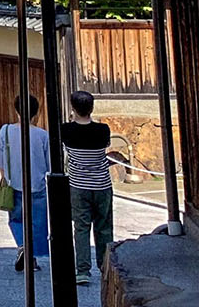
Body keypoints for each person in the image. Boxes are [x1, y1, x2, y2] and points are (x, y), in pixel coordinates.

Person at [61, 90, 116, 286]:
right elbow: (106, 147)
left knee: (81, 227)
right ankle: (105, 265)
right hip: (102, 184)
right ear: (92, 108)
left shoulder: (65, 130)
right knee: (104, 227)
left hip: (78, 185)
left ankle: (82, 270)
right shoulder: (103, 130)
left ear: (73, 108)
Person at [0, 94, 49, 272]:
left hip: (14, 182)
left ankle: (22, 246)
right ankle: (32, 257)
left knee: (17, 219)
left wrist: (4, 177)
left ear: (16, 110)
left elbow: (1, 160)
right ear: (36, 113)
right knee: (37, 222)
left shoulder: (6, 131)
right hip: (37, 184)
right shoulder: (43, 135)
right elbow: (49, 163)